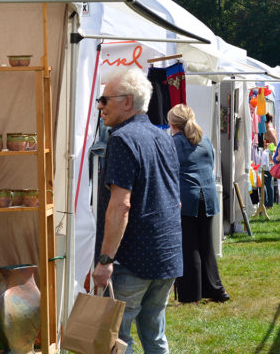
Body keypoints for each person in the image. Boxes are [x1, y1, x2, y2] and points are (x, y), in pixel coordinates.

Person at [92, 67, 182, 353]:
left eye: (105, 99)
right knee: (154, 335)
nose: (100, 106)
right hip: (165, 255)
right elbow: (173, 197)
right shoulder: (162, 137)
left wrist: (105, 259)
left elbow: (121, 205)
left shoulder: (122, 139)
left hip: (133, 259)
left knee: (118, 340)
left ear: (127, 102)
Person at [167, 104, 230, 304]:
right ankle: (216, 289)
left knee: (189, 247)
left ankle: (190, 295)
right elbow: (209, 165)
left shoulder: (173, 143)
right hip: (208, 196)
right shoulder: (205, 141)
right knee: (206, 246)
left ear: (172, 123)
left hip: (186, 197)